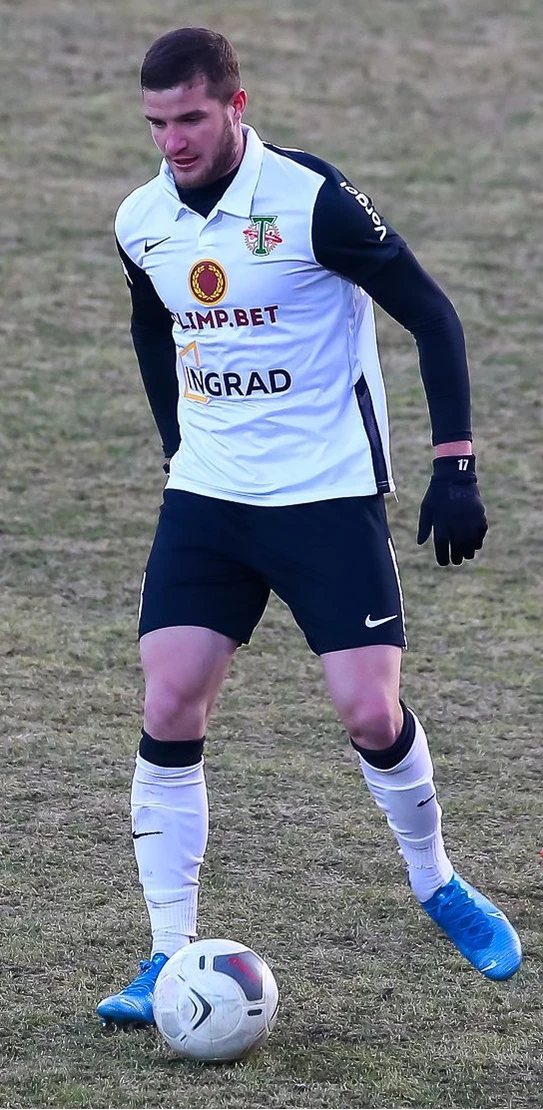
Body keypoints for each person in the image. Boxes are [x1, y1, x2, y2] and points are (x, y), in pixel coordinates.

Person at [97, 27, 522, 1025]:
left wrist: (455, 465)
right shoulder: (142, 220)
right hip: (210, 500)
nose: (172, 141)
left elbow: (433, 315)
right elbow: (152, 323)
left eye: (190, 118)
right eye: (156, 123)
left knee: (370, 714)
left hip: (326, 495)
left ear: (235, 106)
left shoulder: (312, 201)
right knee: (169, 700)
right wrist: (178, 448)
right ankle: (167, 953)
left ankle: (436, 883)